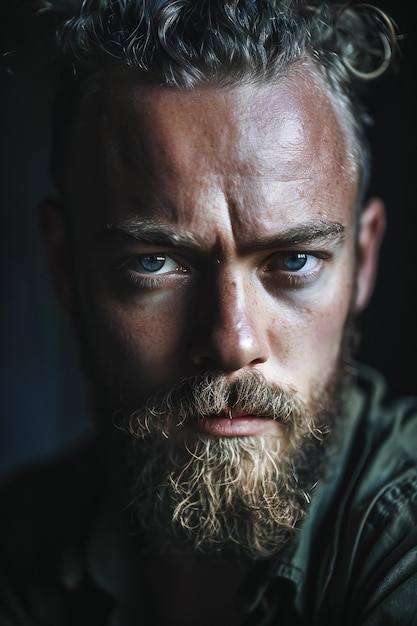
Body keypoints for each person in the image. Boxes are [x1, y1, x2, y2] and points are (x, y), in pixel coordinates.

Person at [1, 0, 416, 624]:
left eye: (296, 260)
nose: (232, 340)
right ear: (65, 264)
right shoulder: (20, 543)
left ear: (364, 258)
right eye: (154, 263)